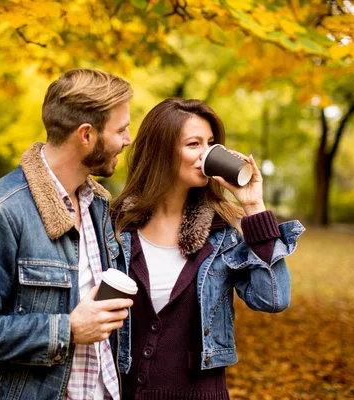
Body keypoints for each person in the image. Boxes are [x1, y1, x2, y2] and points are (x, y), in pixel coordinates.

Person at [0, 68, 135, 400]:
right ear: (86, 134)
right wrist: (67, 330)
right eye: (121, 129)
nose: (127, 140)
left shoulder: (98, 205)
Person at [110, 98, 305, 400]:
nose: (207, 154)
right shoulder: (116, 228)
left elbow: (273, 299)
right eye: (194, 144)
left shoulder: (223, 233)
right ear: (160, 150)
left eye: (211, 143)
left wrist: (253, 205)